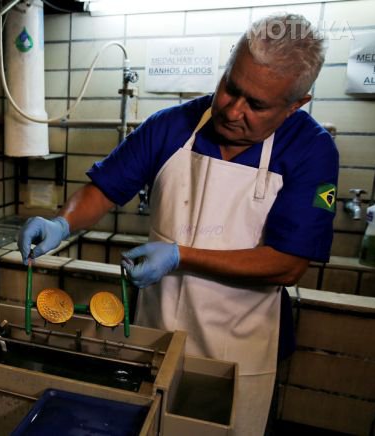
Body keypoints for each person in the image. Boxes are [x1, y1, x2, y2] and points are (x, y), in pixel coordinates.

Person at [18, 13, 338, 436]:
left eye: (256, 105)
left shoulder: (311, 151)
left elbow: (287, 264)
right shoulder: (173, 125)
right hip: (157, 332)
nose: (231, 109)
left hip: (239, 350)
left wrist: (179, 256)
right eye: (230, 87)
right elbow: (105, 189)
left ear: (296, 104)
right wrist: (61, 222)